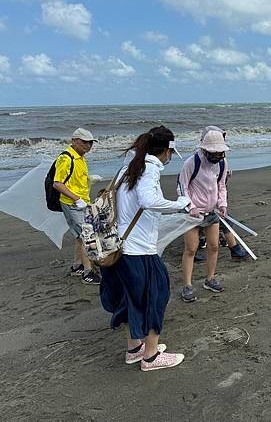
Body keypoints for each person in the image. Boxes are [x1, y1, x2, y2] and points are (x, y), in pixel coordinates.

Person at [99, 125, 191, 371]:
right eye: (171, 153)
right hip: (139, 250)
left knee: (133, 299)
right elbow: (149, 201)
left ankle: (134, 349)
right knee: (156, 296)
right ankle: (151, 356)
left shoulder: (127, 168)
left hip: (119, 247)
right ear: (166, 151)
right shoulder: (149, 169)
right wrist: (181, 203)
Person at [179, 130, 231, 303]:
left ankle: (210, 279)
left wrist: (222, 203)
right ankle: (187, 285)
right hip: (192, 214)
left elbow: (222, 185)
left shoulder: (222, 163)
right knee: (191, 249)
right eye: (214, 153)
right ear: (205, 150)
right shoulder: (191, 163)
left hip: (211, 213)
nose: (217, 156)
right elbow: (182, 187)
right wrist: (191, 206)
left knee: (214, 247)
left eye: (220, 153)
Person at [192, 126, 249, 263]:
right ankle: (234, 249)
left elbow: (220, 181)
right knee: (203, 224)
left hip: (215, 197)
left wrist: (221, 201)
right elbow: (188, 183)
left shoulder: (220, 157)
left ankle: (232, 248)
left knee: (221, 221)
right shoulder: (196, 159)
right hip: (200, 200)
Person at [53, 127, 101, 285]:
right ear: (74, 141)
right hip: (72, 203)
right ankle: (88, 272)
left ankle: (77, 266)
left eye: (90, 143)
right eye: (85, 142)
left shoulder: (80, 157)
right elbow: (57, 184)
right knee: (86, 236)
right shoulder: (66, 158)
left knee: (79, 236)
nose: (88, 146)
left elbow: (73, 179)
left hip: (81, 202)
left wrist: (89, 180)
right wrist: (76, 198)